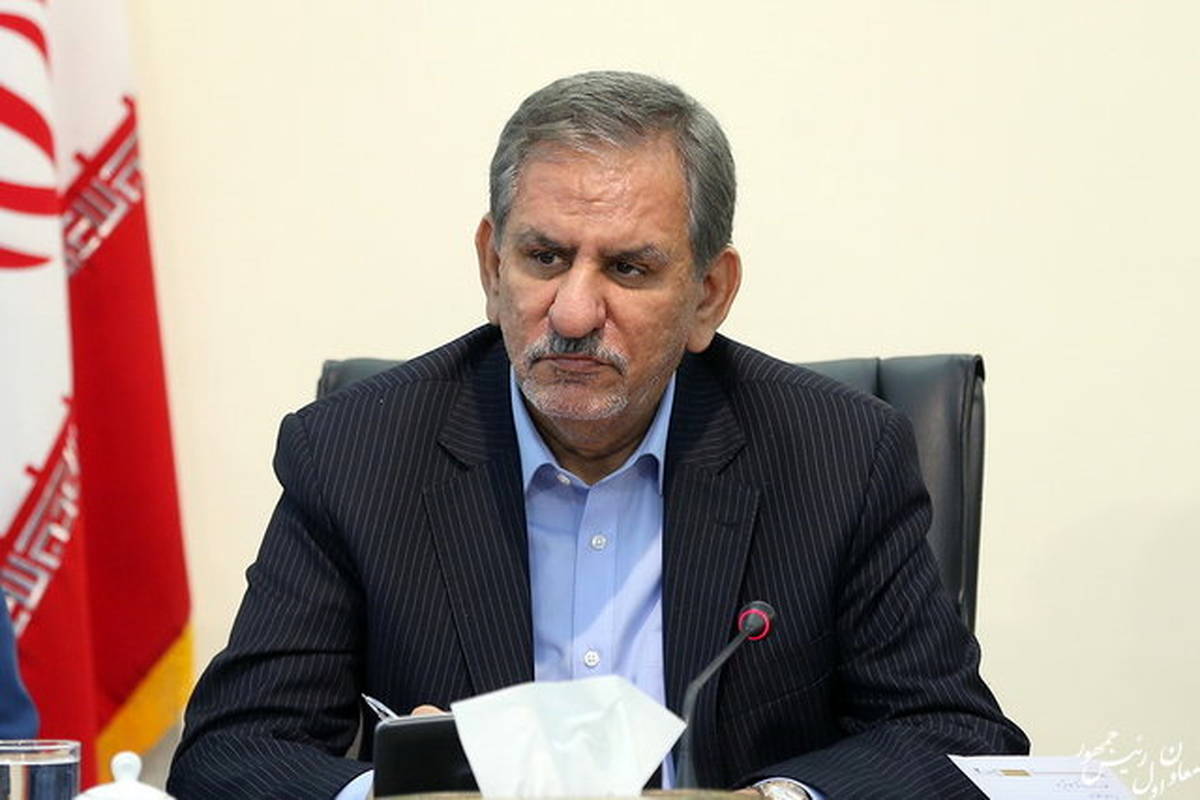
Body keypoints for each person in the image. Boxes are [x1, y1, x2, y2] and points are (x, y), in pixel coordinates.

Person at [168, 71, 1027, 800]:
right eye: (544, 258)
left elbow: (955, 736)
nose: (574, 313)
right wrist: (395, 796)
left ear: (710, 294)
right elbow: (232, 752)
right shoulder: (355, 453)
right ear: (491, 267)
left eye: (628, 268)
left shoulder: (838, 455)